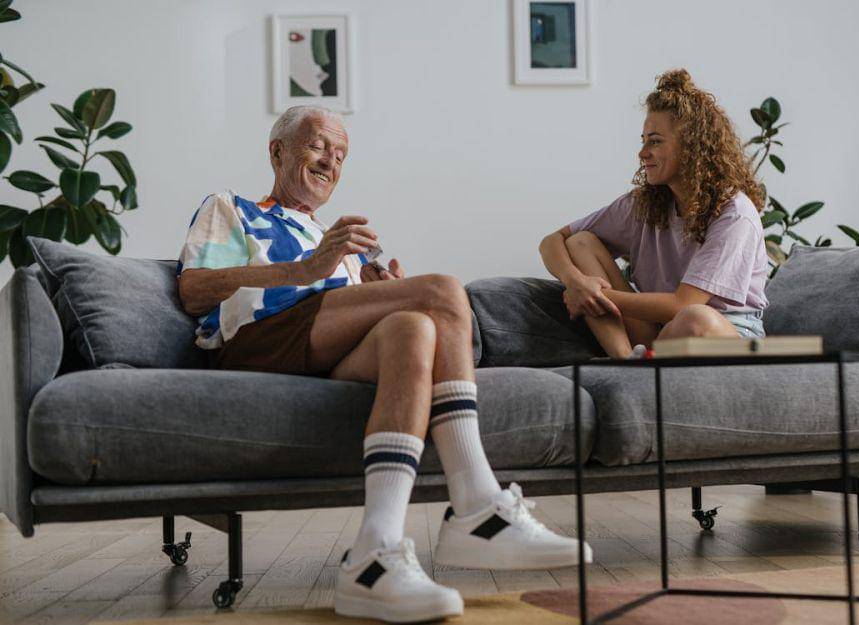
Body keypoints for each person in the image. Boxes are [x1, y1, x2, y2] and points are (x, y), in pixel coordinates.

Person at [176, 105, 590, 623]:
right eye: (318, 146)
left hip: (318, 349)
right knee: (443, 291)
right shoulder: (231, 207)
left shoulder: (339, 243)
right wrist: (304, 269)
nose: (330, 161)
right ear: (277, 152)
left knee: (412, 328)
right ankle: (478, 506)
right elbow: (193, 291)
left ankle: (375, 555)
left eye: (340, 155)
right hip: (257, 342)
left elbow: (346, 316)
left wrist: (384, 293)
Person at [539, 69, 769, 359]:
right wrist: (575, 281)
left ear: (692, 147)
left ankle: (646, 363)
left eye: (655, 141)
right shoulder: (644, 204)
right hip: (657, 334)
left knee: (695, 318)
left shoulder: (735, 214)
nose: (643, 153)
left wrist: (593, 295)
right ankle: (626, 362)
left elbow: (682, 305)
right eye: (643, 140)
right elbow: (553, 241)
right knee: (580, 242)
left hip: (720, 333)